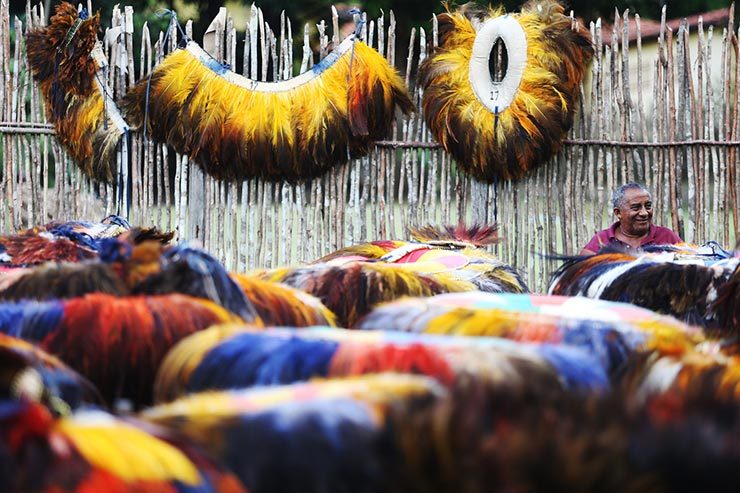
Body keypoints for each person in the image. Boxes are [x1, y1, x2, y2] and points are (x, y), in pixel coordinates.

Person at [580, 182, 682, 255]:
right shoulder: (602, 240)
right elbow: (580, 274)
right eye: (636, 208)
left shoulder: (666, 237)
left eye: (648, 206)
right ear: (618, 212)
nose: (644, 213)